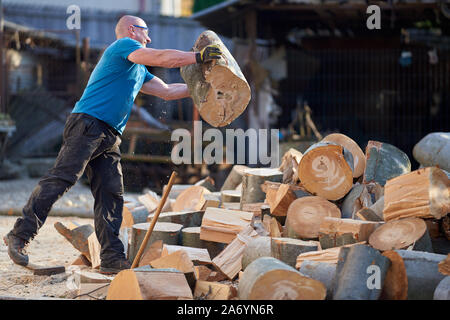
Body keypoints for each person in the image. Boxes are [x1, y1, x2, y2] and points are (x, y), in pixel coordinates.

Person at [3, 15, 222, 274]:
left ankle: (111, 259)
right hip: (88, 125)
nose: (149, 38)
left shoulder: (137, 68)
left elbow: (168, 91)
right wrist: (198, 56)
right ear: (132, 30)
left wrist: (203, 86)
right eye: (146, 32)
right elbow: (164, 58)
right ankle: (19, 235)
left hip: (108, 134)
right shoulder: (123, 46)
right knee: (62, 178)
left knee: (111, 195)